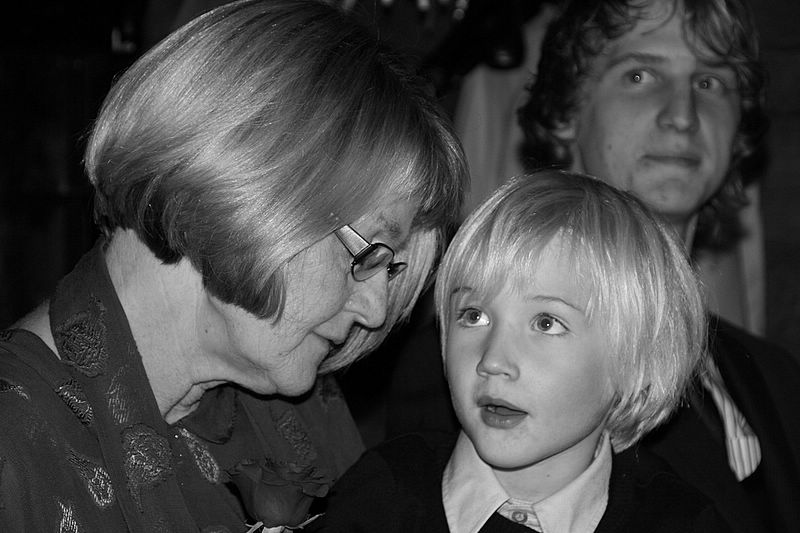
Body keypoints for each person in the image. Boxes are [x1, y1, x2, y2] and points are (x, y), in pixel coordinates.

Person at [0, 0, 467, 531]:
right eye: (367, 255)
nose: (375, 310)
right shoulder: (15, 455)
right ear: (248, 187)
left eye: (391, 270)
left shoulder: (294, 403)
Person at [314, 170, 730, 533]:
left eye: (546, 323)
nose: (492, 361)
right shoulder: (383, 494)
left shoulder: (681, 522)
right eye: (473, 316)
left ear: (637, 366)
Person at [517, 0, 800, 532]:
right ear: (565, 111)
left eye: (710, 82)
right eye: (640, 76)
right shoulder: (486, 352)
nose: (682, 115)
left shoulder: (776, 378)